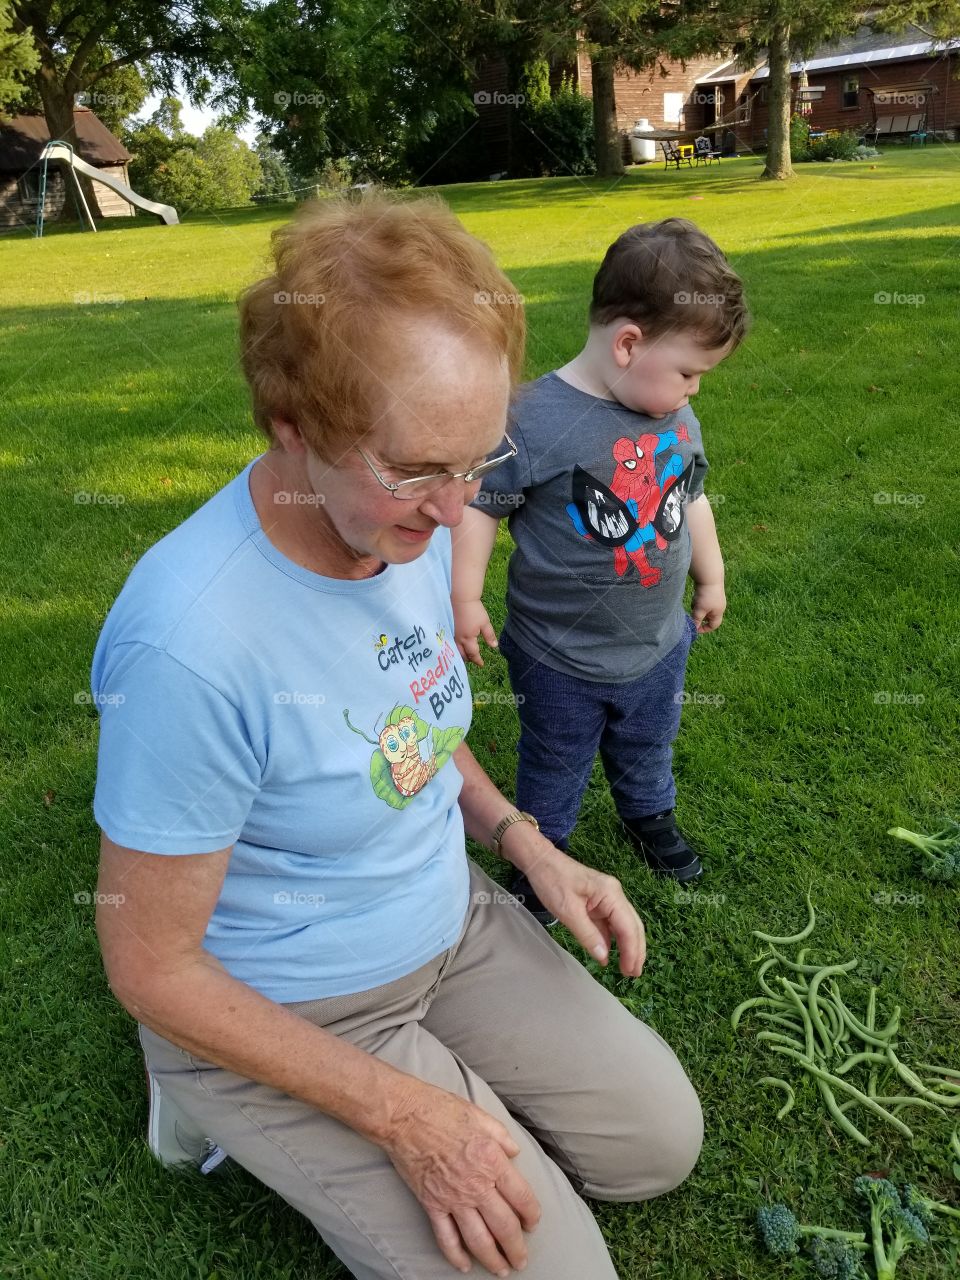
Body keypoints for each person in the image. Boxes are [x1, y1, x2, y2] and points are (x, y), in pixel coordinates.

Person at [91, 193, 703, 1280]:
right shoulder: (190, 644)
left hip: (445, 921)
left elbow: (409, 722)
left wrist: (526, 842)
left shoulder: (399, 521)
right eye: (421, 467)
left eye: (479, 460)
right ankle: (204, 1101)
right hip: (295, 1001)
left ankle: (436, 1055)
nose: (455, 506)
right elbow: (148, 962)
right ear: (294, 424)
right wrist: (402, 1115)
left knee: (660, 1142)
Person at [451, 219, 748, 925]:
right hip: (560, 656)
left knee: (649, 741)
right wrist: (463, 596)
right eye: (689, 371)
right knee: (555, 760)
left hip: (657, 643)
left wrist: (713, 577)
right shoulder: (529, 418)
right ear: (627, 344)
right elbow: (481, 509)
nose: (694, 391)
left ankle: (648, 813)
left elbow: (691, 495)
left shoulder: (672, 415)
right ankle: (543, 853)